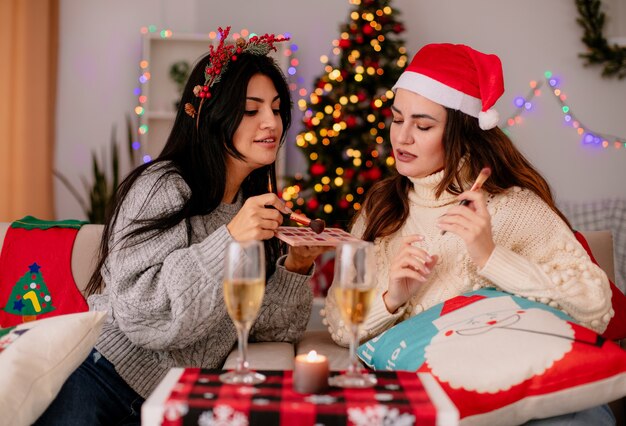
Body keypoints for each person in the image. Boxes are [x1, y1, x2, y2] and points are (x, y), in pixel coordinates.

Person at [36, 27, 326, 425]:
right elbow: (141, 314)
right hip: (99, 377)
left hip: (172, 400)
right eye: (251, 108)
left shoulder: (251, 209)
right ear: (212, 114)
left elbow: (262, 327)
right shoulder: (164, 186)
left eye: (277, 108)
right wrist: (228, 240)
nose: (271, 122)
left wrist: (296, 267)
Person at [323, 43, 615, 425]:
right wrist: (392, 298)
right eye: (397, 119)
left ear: (460, 132)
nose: (402, 137)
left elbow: (596, 307)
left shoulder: (513, 207)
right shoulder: (382, 207)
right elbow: (340, 325)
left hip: (529, 394)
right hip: (437, 398)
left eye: (423, 125)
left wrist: (491, 257)